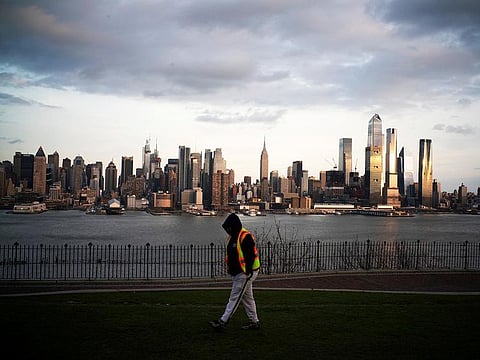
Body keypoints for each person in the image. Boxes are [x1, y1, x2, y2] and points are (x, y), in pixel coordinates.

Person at [209, 212, 261, 330]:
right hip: (241, 273)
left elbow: (250, 255)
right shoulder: (233, 237)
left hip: (245, 273)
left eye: (228, 228)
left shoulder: (244, 236)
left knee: (235, 297)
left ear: (233, 226)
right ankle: (254, 322)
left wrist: (247, 271)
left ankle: (223, 321)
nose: (227, 230)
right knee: (247, 298)